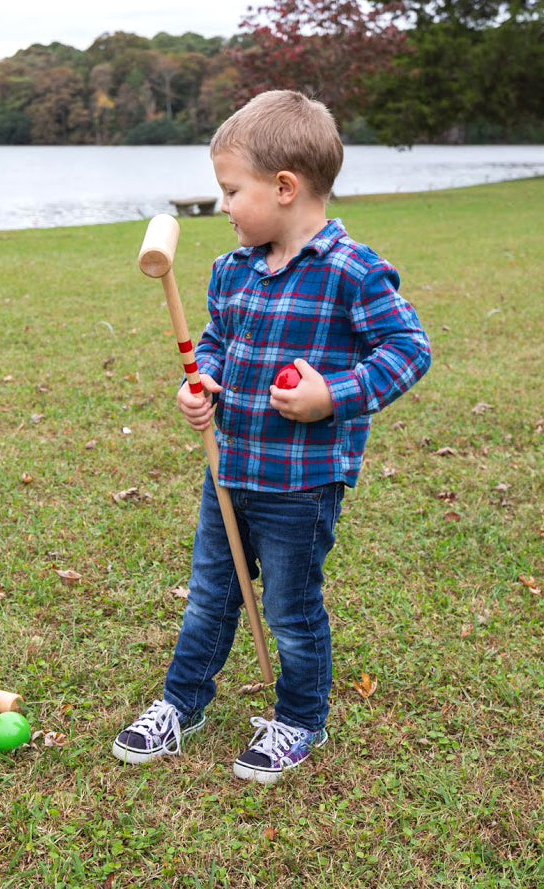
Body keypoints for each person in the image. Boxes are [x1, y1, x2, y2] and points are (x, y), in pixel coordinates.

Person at [112, 90, 432, 783]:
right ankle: (182, 703)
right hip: (229, 469)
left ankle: (298, 720)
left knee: (290, 609)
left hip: (302, 486)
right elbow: (221, 345)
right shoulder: (232, 270)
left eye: (231, 190)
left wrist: (334, 396)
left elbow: (409, 348)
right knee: (209, 597)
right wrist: (205, 384)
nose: (223, 206)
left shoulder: (351, 270)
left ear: (284, 188)